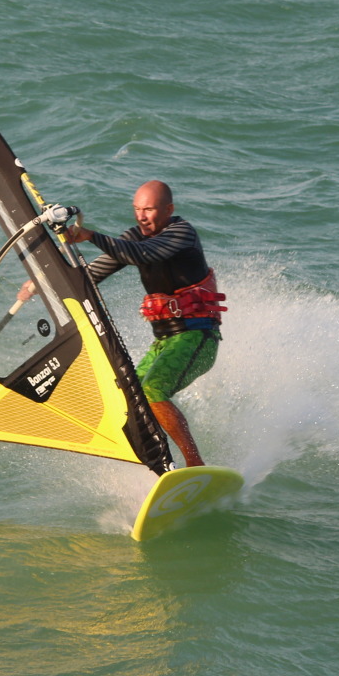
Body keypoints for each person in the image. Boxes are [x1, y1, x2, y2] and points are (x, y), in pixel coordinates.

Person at [20, 180, 224, 467]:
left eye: (149, 209)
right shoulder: (134, 237)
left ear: (169, 209)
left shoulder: (182, 233)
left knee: (152, 390)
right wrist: (40, 285)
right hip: (165, 342)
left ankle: (195, 463)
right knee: (129, 398)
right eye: (137, 209)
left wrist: (90, 236)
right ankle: (159, 465)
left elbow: (142, 253)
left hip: (196, 338)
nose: (141, 216)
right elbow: (92, 274)